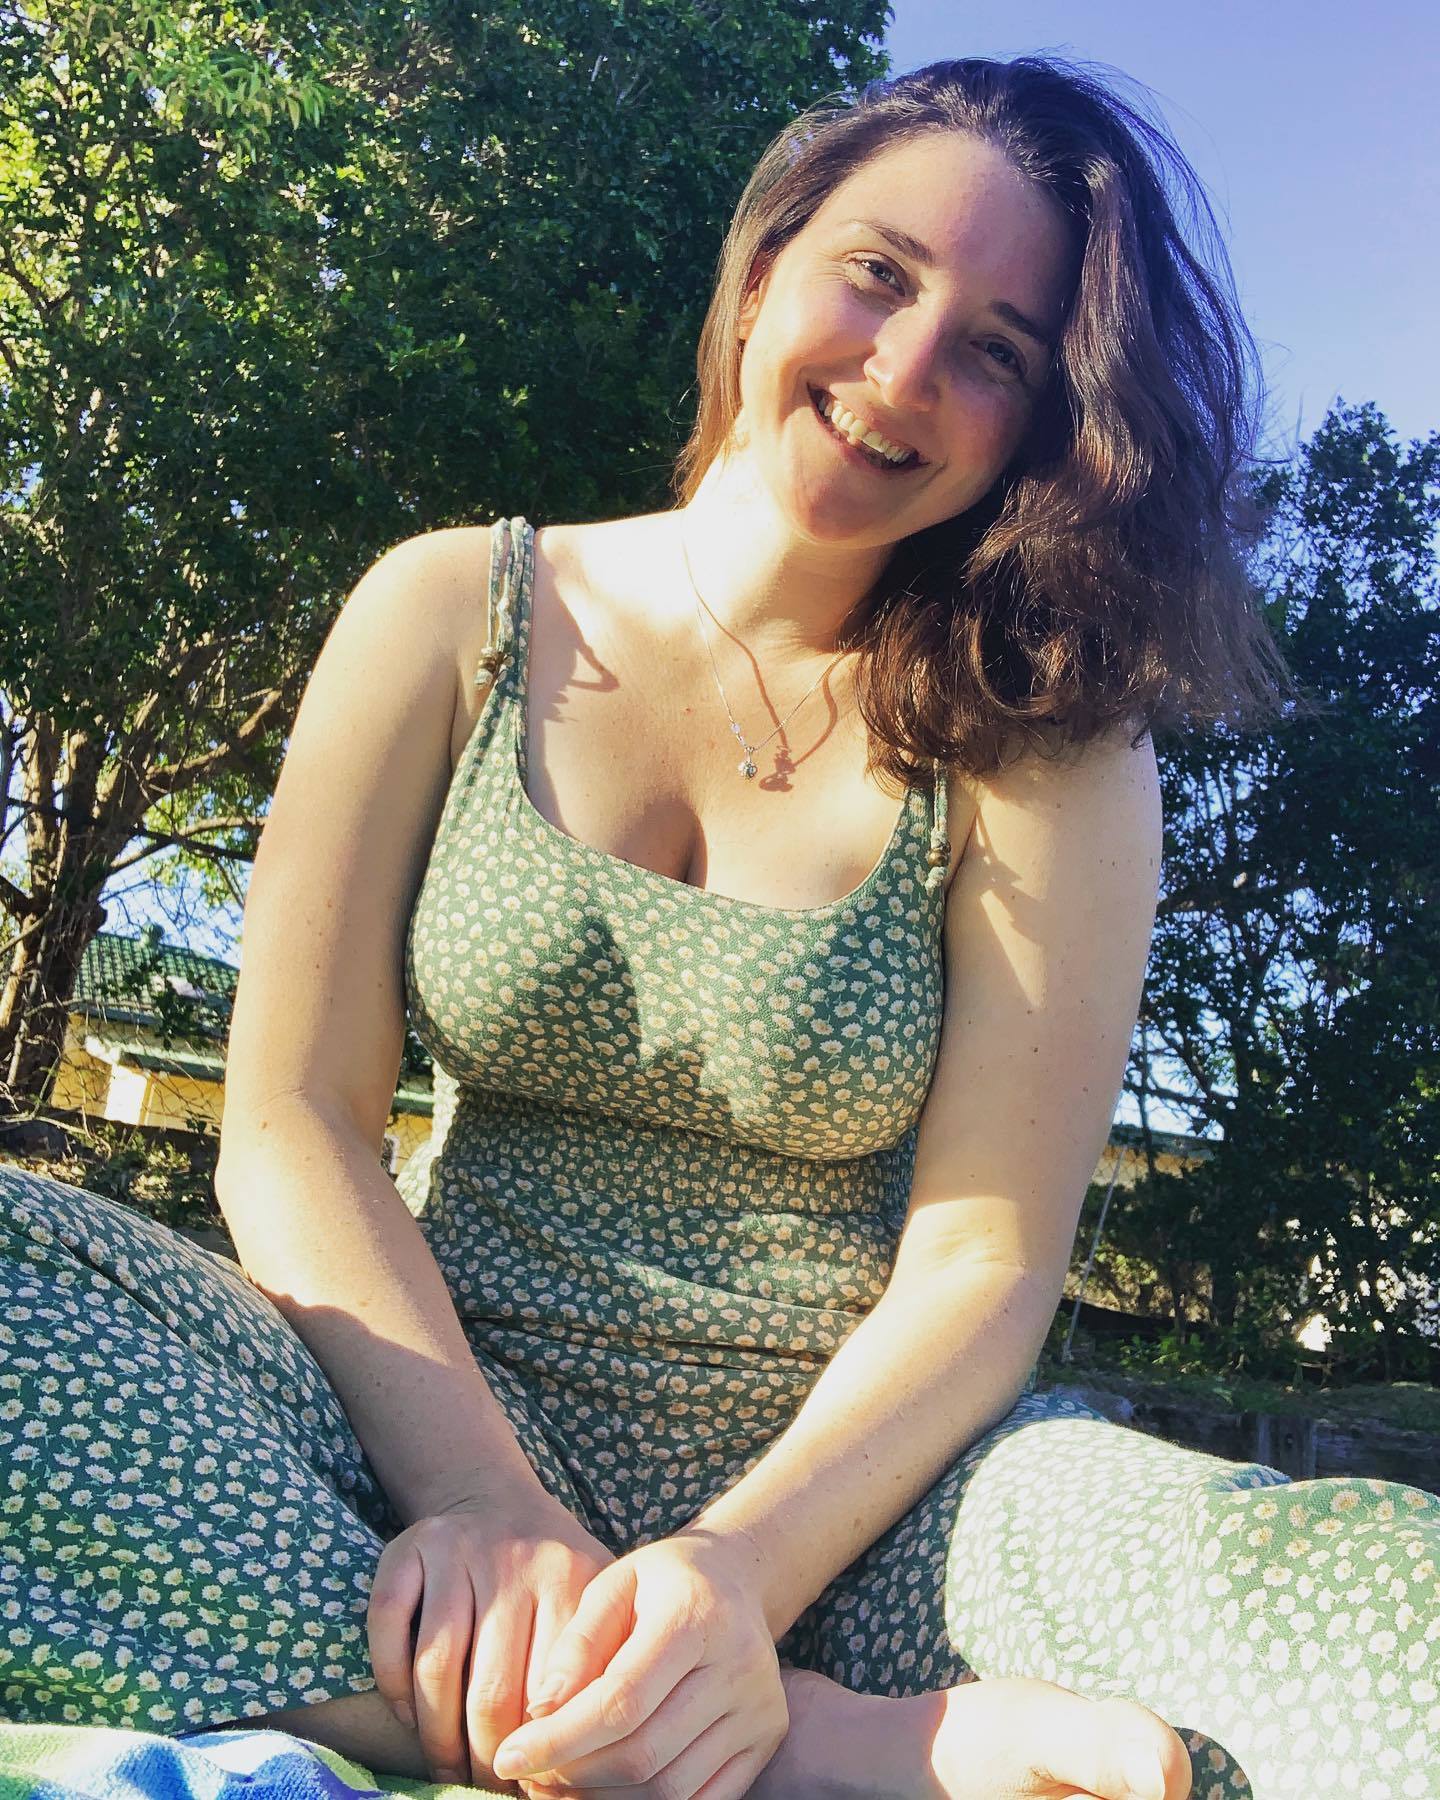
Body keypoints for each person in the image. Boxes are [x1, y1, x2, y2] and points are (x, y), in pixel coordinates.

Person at [2, 52, 1436, 1800]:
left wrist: (738, 1581)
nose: (906, 369)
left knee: (1369, 1613)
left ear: (1040, 427)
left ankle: (656, 1714)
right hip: (415, 1457)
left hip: (874, 1521)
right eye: (879, 274)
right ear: (764, 271)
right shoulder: (451, 608)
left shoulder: (1046, 745)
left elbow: (985, 1265)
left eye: (997, 350)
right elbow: (292, 1119)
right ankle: (798, 1756)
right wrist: (481, 1505)